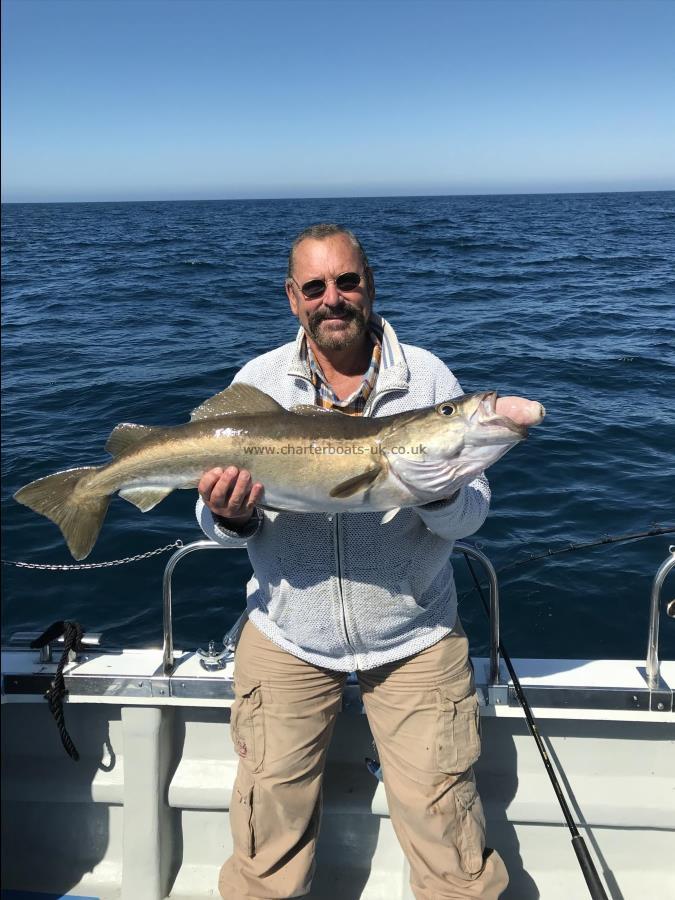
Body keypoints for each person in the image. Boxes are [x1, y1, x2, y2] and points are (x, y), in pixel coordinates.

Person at [196, 224, 510, 899]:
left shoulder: (426, 378)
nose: (331, 299)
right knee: (264, 849)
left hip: (414, 634)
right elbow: (216, 525)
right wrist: (229, 515)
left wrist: (442, 490)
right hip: (287, 633)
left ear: (369, 285)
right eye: (314, 287)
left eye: (346, 282)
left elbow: (473, 512)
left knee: (450, 845)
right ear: (292, 298)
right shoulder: (257, 383)